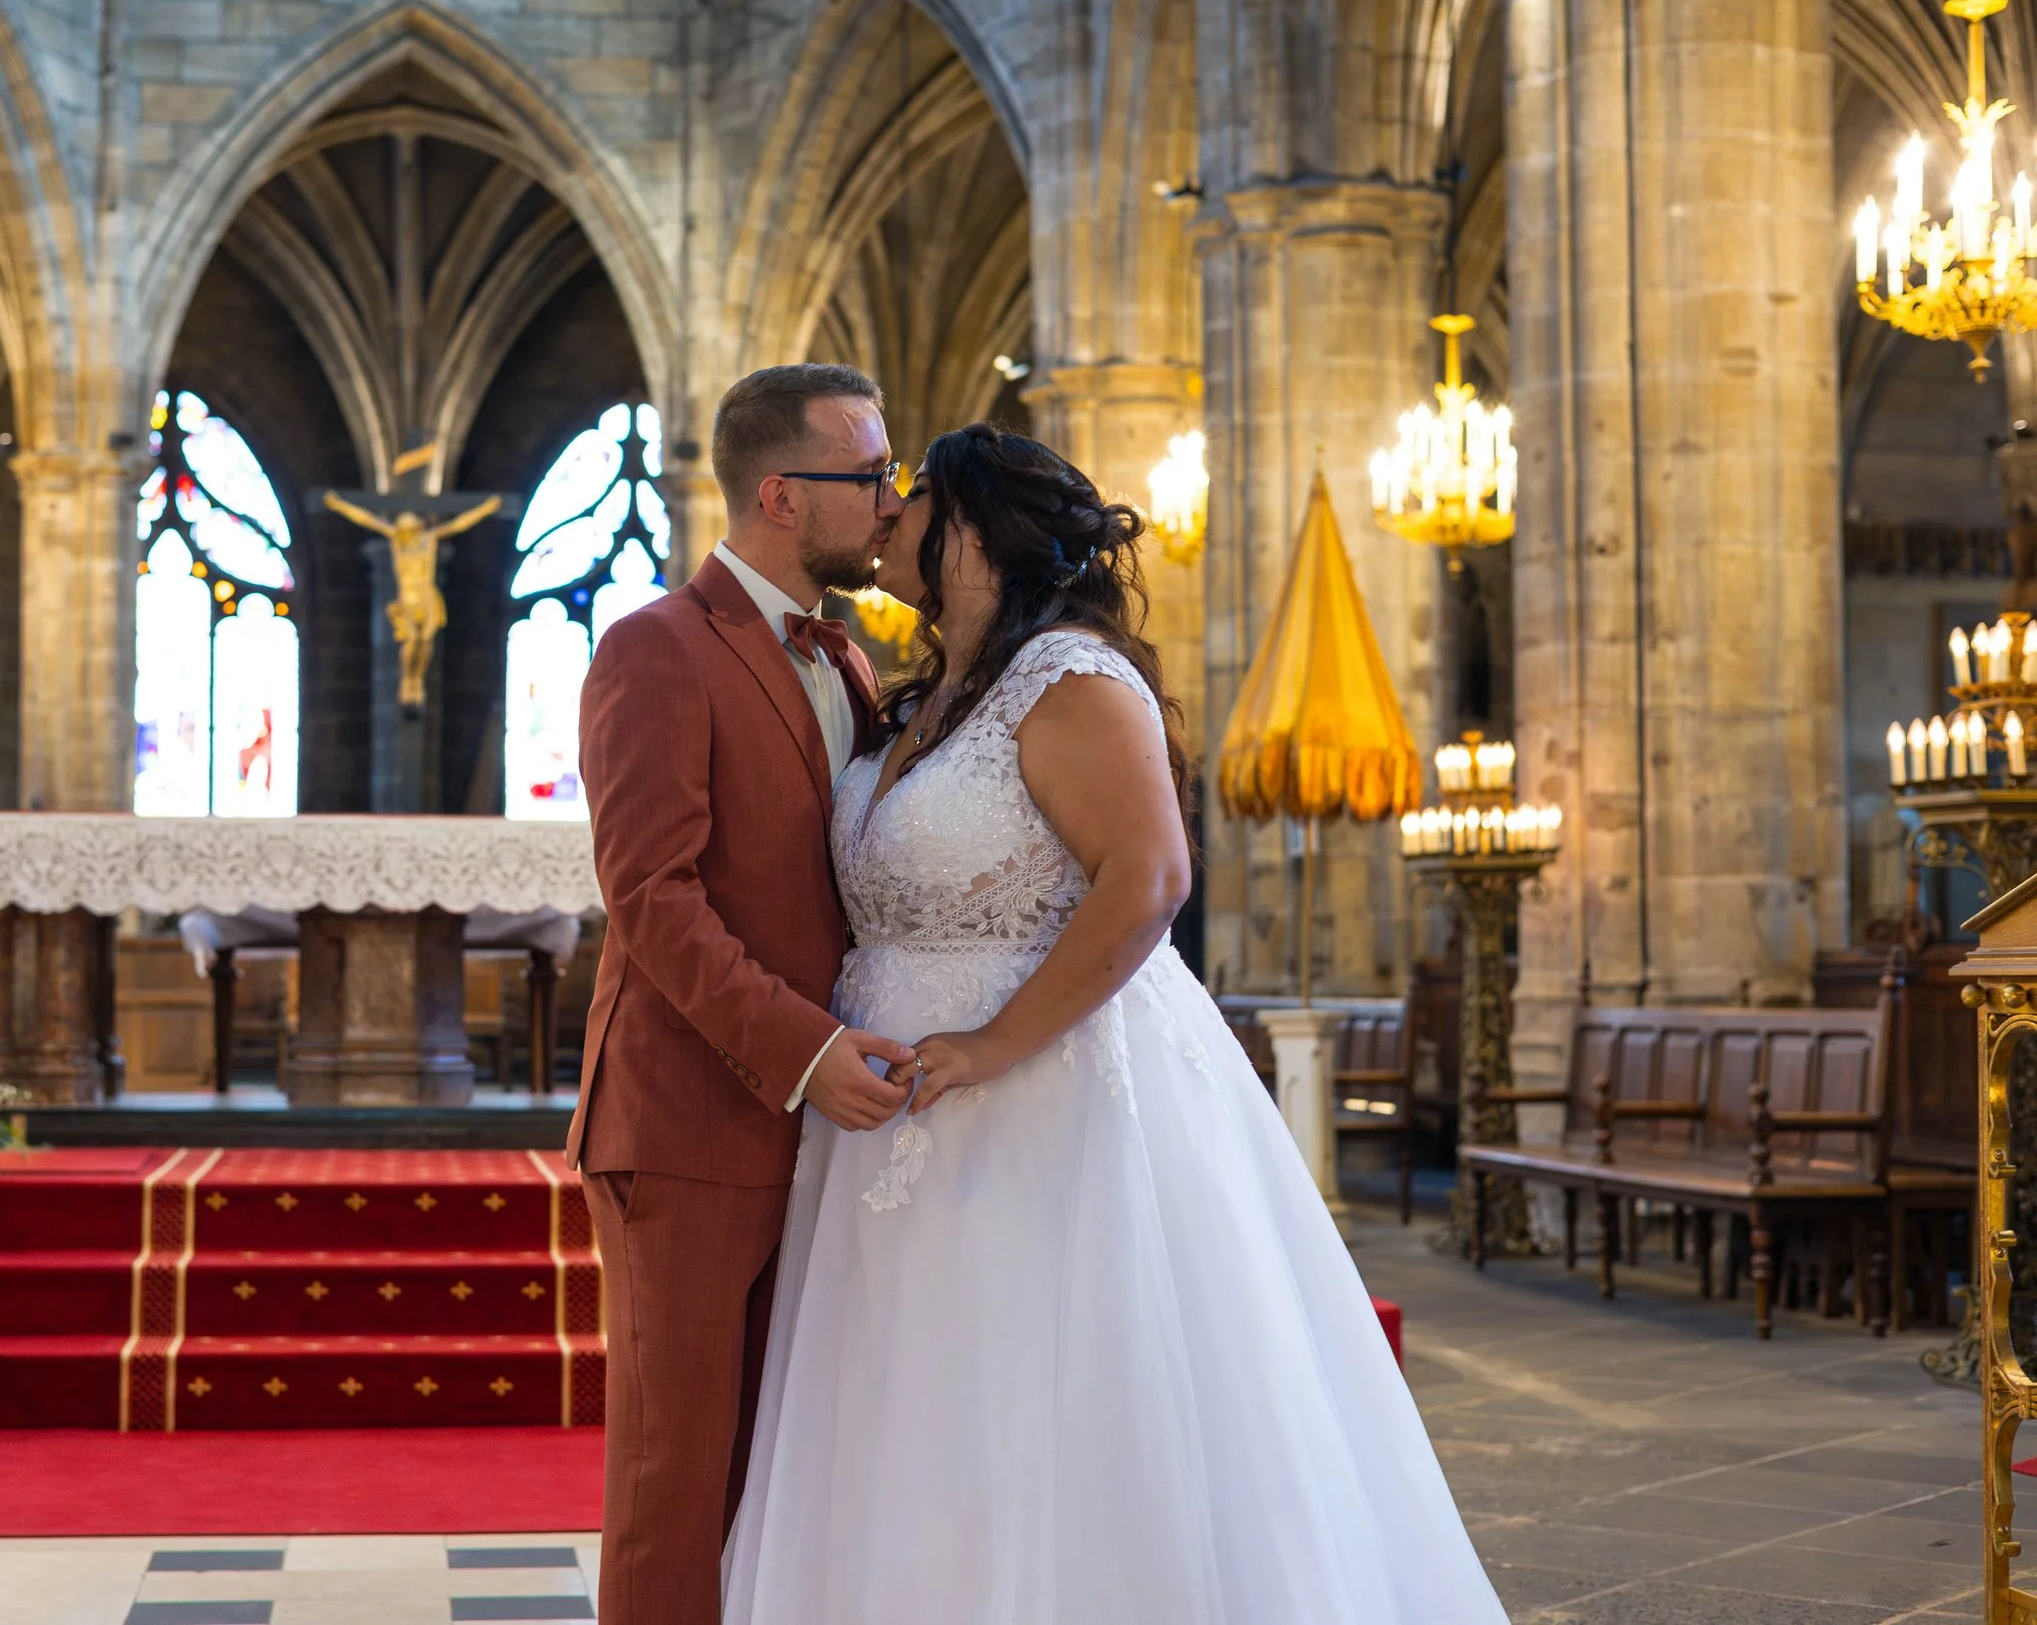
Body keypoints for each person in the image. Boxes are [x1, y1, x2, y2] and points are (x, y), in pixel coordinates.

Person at [720, 422, 1510, 1624]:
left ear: (973, 527)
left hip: (1044, 1091)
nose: (886, 513)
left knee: (1055, 1398)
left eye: (912, 495)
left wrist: (993, 1042)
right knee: (914, 1405)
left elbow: (1146, 877)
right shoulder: (922, 693)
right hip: (887, 1114)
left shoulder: (1071, 679)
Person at [568, 363, 920, 1625]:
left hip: (822, 1124)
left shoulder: (853, 658)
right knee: (680, 1477)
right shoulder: (657, 649)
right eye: (869, 475)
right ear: (781, 493)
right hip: (691, 1123)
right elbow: (652, 898)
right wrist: (806, 1049)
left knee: (788, 1472)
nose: (891, 503)